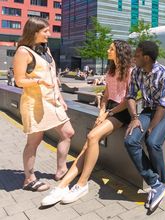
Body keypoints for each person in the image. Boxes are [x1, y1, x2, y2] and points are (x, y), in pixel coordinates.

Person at [41, 40, 132, 206]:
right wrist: (102, 111)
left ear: (120, 51)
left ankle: (82, 184)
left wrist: (109, 113)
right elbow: (106, 95)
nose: (107, 50)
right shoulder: (110, 71)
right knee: (86, 147)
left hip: (122, 112)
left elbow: (128, 101)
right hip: (109, 110)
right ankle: (62, 186)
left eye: (111, 48)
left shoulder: (130, 72)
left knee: (91, 136)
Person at [13, 17, 75, 192]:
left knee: (68, 132)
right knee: (34, 141)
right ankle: (29, 179)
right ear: (35, 32)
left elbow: (53, 77)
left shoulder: (45, 50)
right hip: (35, 103)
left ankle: (61, 169)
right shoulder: (23, 52)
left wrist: (61, 98)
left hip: (52, 101)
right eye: (46, 31)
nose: (50, 33)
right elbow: (19, 80)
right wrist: (38, 80)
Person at [124, 41, 165, 211]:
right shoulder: (137, 72)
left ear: (146, 57)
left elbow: (164, 104)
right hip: (146, 111)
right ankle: (155, 182)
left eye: (136, 55)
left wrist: (152, 127)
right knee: (130, 141)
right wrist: (135, 118)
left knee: (153, 142)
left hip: (164, 112)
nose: (133, 58)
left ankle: (163, 181)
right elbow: (130, 95)